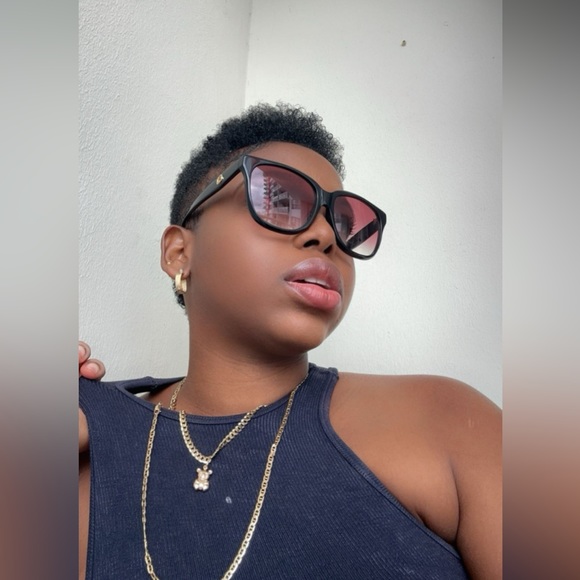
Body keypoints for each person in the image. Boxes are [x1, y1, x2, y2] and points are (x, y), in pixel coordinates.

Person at [79, 103, 501, 579]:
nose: (325, 235)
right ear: (179, 252)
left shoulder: (448, 423)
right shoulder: (84, 440)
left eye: (343, 223)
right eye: (280, 200)